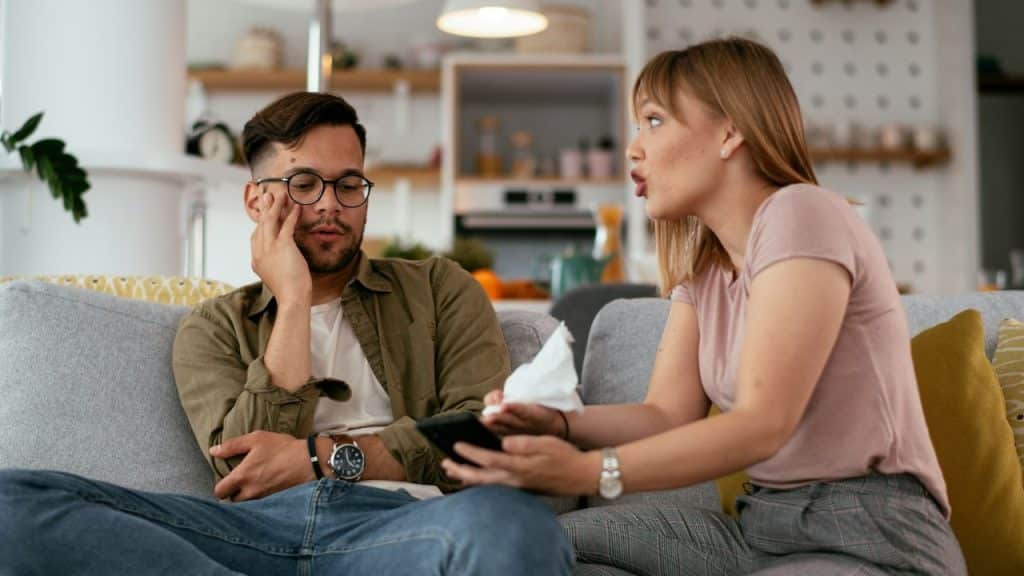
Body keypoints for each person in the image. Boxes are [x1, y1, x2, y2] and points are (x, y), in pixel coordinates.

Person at [443, 38, 967, 575]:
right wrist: (559, 423)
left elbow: (765, 423)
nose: (633, 148)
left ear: (730, 131)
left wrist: (585, 472)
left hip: (868, 532)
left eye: (653, 120)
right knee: (529, 539)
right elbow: (665, 415)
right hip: (758, 526)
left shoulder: (802, 213)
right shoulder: (706, 272)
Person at [0, 92, 573, 575]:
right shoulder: (213, 326)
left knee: (513, 522)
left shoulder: (439, 287)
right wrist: (294, 298)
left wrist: (324, 459)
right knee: (13, 501)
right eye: (303, 183)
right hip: (246, 537)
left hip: (406, 529)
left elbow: (475, 439)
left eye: (349, 184)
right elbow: (243, 473)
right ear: (258, 200)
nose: (330, 205)